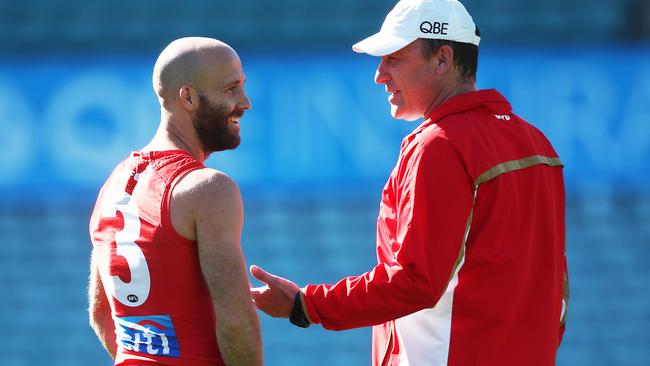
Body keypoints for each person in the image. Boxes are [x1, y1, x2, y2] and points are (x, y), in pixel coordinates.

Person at [249, 0, 569, 365]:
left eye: (394, 58)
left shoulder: (440, 145)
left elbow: (415, 280)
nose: (379, 75)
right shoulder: (538, 143)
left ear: (442, 59)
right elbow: (557, 292)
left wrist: (305, 305)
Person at [88, 37, 262, 366]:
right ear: (189, 98)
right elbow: (236, 323)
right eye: (231, 89)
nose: (245, 102)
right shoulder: (208, 189)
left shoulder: (113, 184)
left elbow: (101, 315)